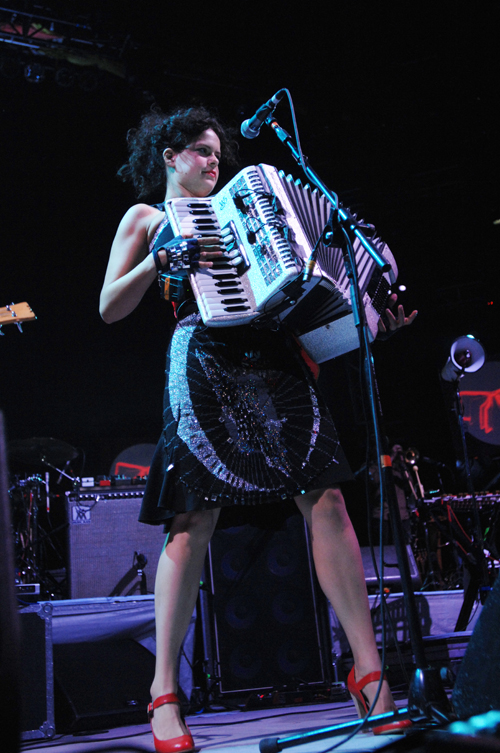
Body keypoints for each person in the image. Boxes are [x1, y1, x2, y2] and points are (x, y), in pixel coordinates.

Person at [100, 105, 417, 752]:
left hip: (273, 356)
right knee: (193, 517)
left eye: (218, 154)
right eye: (202, 152)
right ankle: (164, 691)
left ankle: (368, 671)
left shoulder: (245, 208)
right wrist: (158, 260)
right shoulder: (147, 218)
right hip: (203, 359)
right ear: (170, 156)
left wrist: (368, 314)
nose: (214, 163)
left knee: (327, 497)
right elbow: (109, 307)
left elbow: (301, 286)